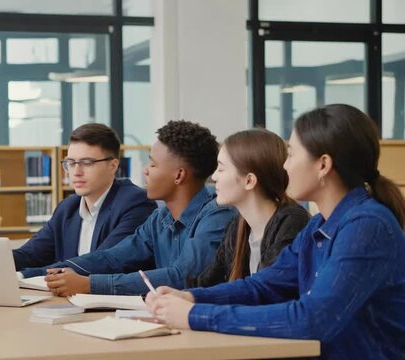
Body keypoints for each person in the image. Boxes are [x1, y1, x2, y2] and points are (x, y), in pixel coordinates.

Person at [147, 104, 405, 359]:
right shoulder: (318, 225)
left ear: (323, 165)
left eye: (291, 155)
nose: (285, 167)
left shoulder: (367, 226)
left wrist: (194, 316)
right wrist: (191, 298)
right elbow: (266, 285)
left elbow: (312, 318)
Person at [20, 120, 236, 296]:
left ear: (178, 175)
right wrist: (36, 275)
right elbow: (111, 258)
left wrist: (89, 284)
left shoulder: (217, 214)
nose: (145, 170)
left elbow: (182, 277)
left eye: (152, 164)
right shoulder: (160, 218)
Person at [13, 123, 156, 270]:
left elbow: (100, 264)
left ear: (113, 166)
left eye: (86, 163)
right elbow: (29, 255)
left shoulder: (135, 202)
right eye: (71, 163)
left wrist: (25, 275)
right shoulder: (68, 207)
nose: (76, 172)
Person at [187, 129, 309, 288]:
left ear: (249, 181)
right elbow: (207, 283)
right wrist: (179, 296)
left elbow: (266, 290)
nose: (214, 176)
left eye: (221, 169)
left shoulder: (292, 221)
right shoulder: (237, 227)